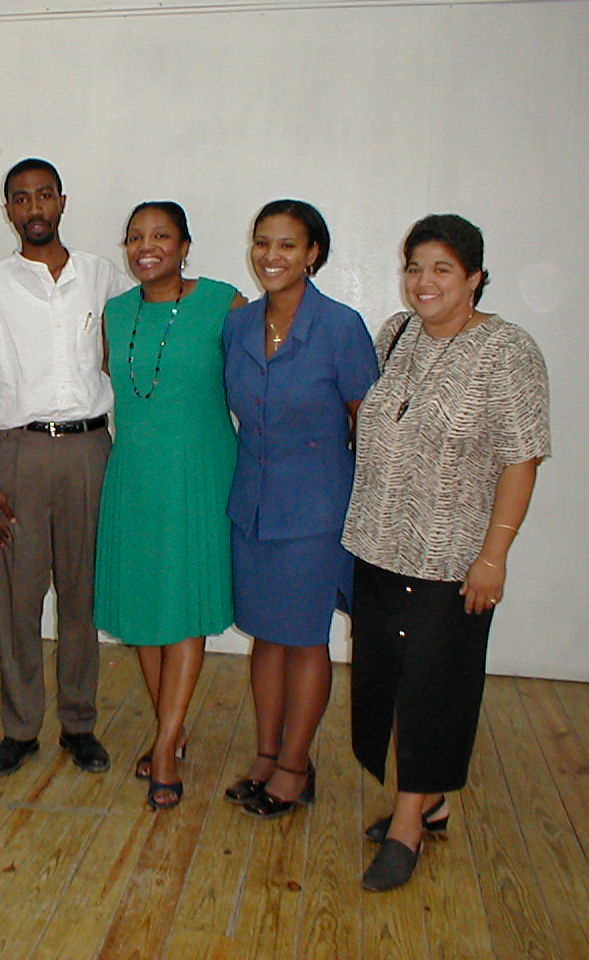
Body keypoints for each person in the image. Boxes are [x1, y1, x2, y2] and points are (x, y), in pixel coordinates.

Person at [342, 214, 550, 891]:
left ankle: (409, 825)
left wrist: (495, 556)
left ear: (474, 278)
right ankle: (426, 800)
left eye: (441, 269)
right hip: (377, 543)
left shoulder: (509, 350)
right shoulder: (394, 335)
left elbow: (522, 459)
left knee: (435, 687)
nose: (423, 282)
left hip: (453, 556)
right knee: (388, 683)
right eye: (414, 267)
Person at [0, 158, 133, 776]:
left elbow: (129, 358)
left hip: (91, 450)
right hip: (17, 452)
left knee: (82, 594)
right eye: (20, 199)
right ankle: (19, 727)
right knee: (17, 596)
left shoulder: (103, 277)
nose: (34, 208)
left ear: (62, 201)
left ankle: (79, 722)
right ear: (7, 209)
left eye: (43, 196)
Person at [221, 200, 378, 819]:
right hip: (251, 504)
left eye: (287, 245)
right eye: (262, 242)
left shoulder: (341, 327)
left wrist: (365, 515)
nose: (271, 256)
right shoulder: (239, 324)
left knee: (305, 639)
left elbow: (368, 427)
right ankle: (265, 754)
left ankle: (295, 765)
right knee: (266, 635)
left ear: (313, 253)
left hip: (316, 508)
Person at [95, 202, 246, 810]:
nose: (145, 246)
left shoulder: (224, 303)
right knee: (145, 609)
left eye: (160, 235)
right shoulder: (114, 311)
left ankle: (162, 749)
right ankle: (172, 731)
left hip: (200, 473)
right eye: (135, 236)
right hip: (134, 473)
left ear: (186, 244)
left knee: (181, 608)